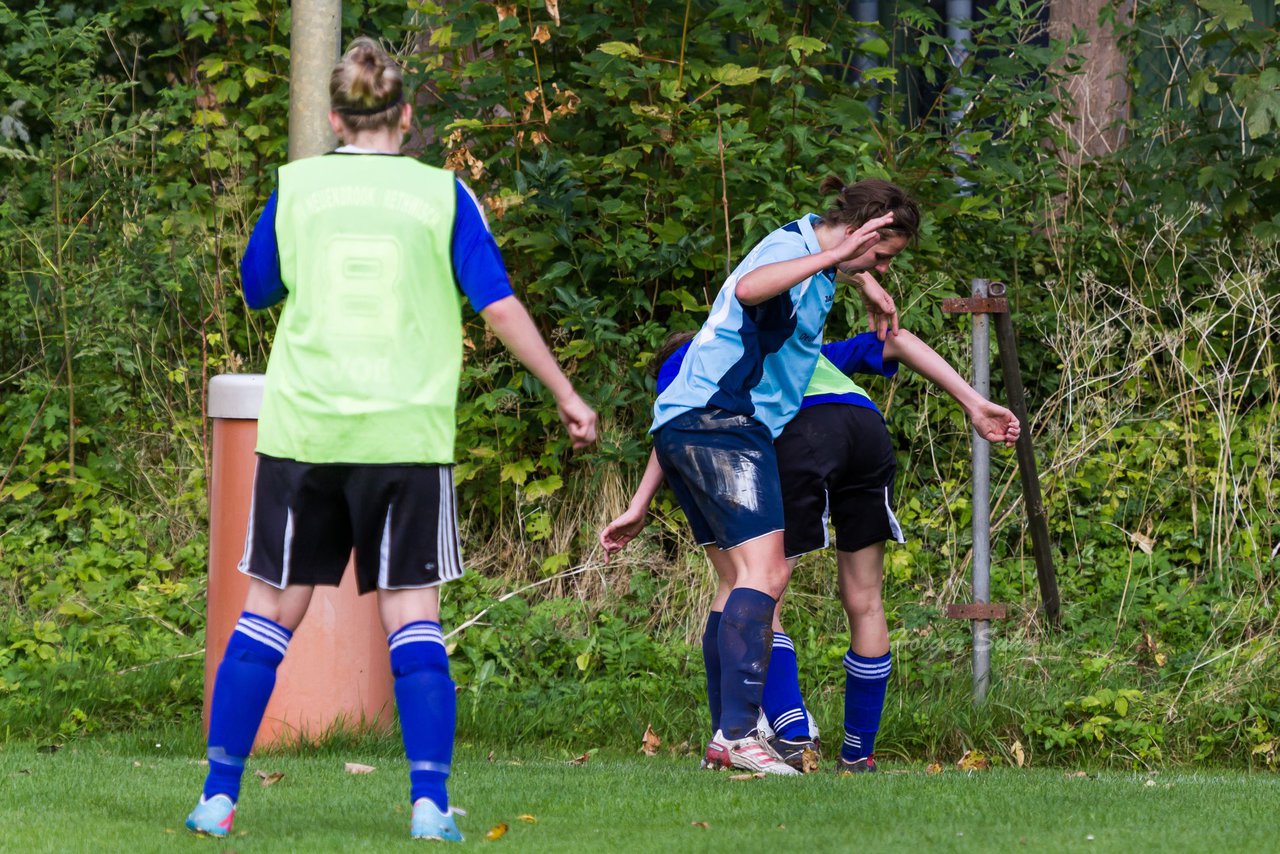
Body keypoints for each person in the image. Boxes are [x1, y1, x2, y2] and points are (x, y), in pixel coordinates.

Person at [185, 37, 597, 842]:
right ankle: (429, 806)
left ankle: (218, 797)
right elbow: (499, 304)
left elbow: (256, 287)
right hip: (404, 434)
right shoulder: (444, 195)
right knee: (414, 618)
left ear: (334, 117)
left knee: (269, 611)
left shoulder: (296, 187)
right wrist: (566, 392)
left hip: (307, 429)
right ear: (408, 117)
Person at [602, 324, 1020, 772]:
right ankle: (858, 757)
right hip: (866, 426)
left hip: (798, 432)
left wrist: (638, 503)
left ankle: (793, 738)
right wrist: (974, 403)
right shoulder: (791, 343)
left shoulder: (697, 355)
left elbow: (674, 419)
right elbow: (897, 338)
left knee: (757, 585)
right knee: (865, 599)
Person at [639, 178, 919, 774]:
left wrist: (862, 278)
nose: (885, 267)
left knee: (739, 578)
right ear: (859, 231)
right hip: (723, 421)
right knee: (767, 572)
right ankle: (741, 737)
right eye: (884, 255)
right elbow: (749, 287)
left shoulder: (814, 254)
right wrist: (842, 260)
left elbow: (819, 264)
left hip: (690, 422)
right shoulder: (798, 252)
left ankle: (725, 737)